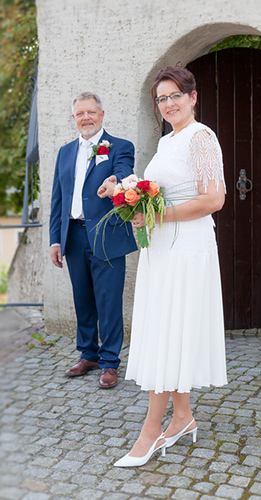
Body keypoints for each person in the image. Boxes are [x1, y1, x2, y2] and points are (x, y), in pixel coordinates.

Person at [98, 63, 227, 466]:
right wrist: (124, 191)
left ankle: (151, 431)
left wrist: (157, 216)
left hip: (188, 248)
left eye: (175, 95)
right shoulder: (168, 141)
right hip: (163, 249)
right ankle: (184, 417)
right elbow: (160, 191)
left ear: (192, 97)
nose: (168, 103)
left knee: (170, 329)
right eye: (161, 99)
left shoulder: (201, 137)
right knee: (168, 328)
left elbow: (214, 199)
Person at [50, 91, 137, 389]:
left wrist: (115, 181)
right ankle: (89, 354)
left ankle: (110, 361)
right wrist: (55, 240)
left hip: (106, 235)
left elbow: (124, 172)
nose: (85, 118)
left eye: (91, 112)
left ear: (101, 115)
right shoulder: (64, 152)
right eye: (80, 114)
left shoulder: (118, 147)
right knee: (83, 299)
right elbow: (58, 200)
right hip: (72, 235)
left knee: (108, 301)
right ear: (73, 118)